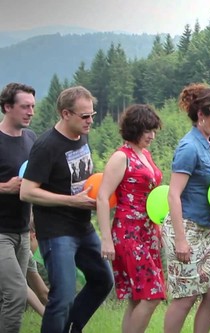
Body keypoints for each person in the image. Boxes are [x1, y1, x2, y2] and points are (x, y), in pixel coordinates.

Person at [20, 86, 114, 333]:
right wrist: (72, 201)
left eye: (92, 115)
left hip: (82, 227)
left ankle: (72, 328)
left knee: (103, 280)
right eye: (85, 116)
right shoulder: (46, 146)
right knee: (62, 298)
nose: (90, 121)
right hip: (56, 231)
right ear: (65, 114)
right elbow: (27, 191)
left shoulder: (82, 134)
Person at [162, 83, 210, 333]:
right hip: (185, 227)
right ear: (201, 114)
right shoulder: (189, 147)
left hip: (205, 229)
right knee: (185, 296)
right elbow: (173, 195)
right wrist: (180, 239)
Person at [96, 104, 164, 333]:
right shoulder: (120, 157)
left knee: (138, 296)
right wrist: (106, 239)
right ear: (134, 129)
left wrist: (158, 227)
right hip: (128, 232)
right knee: (153, 294)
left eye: (154, 131)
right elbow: (103, 197)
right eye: (147, 131)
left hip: (148, 231)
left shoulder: (145, 154)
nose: (152, 136)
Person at [0, 82, 36, 332]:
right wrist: (4, 187)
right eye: (25, 107)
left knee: (13, 297)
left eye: (33, 106)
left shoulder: (31, 139)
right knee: (14, 294)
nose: (31, 112)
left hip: (22, 231)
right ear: (7, 107)